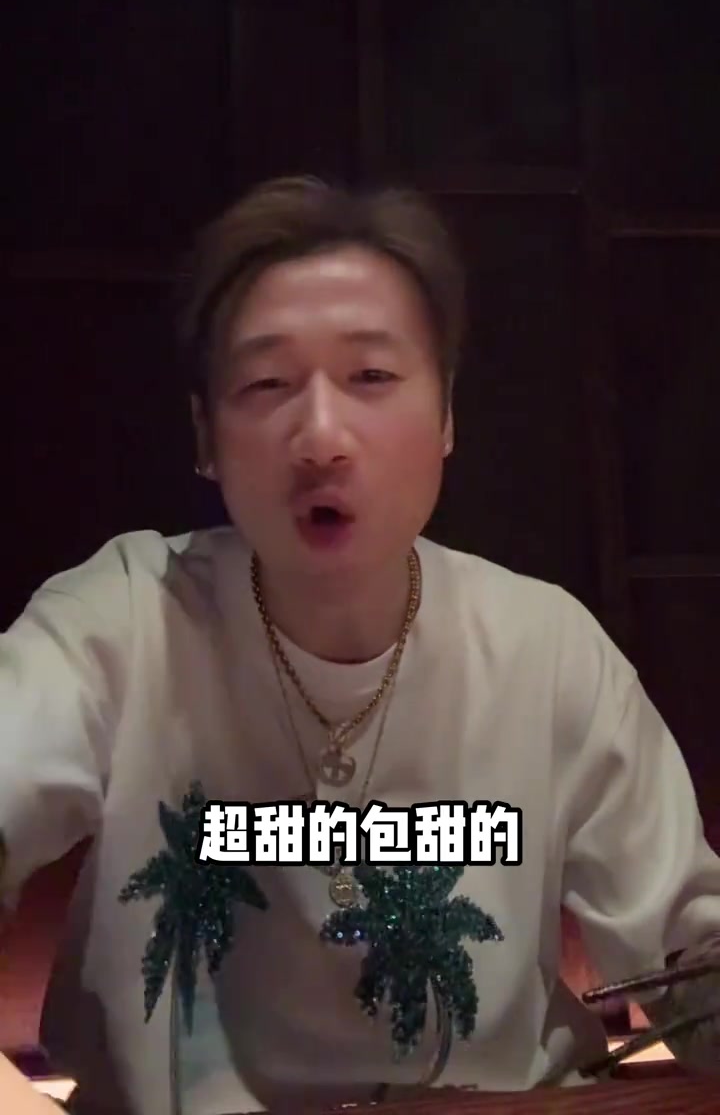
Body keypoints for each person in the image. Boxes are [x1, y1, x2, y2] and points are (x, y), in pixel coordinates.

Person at [1, 176, 719, 1115]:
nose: (322, 437)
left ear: (447, 415)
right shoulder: (124, 619)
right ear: (205, 436)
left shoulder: (546, 651)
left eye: (372, 377)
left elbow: (690, 966)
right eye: (267, 384)